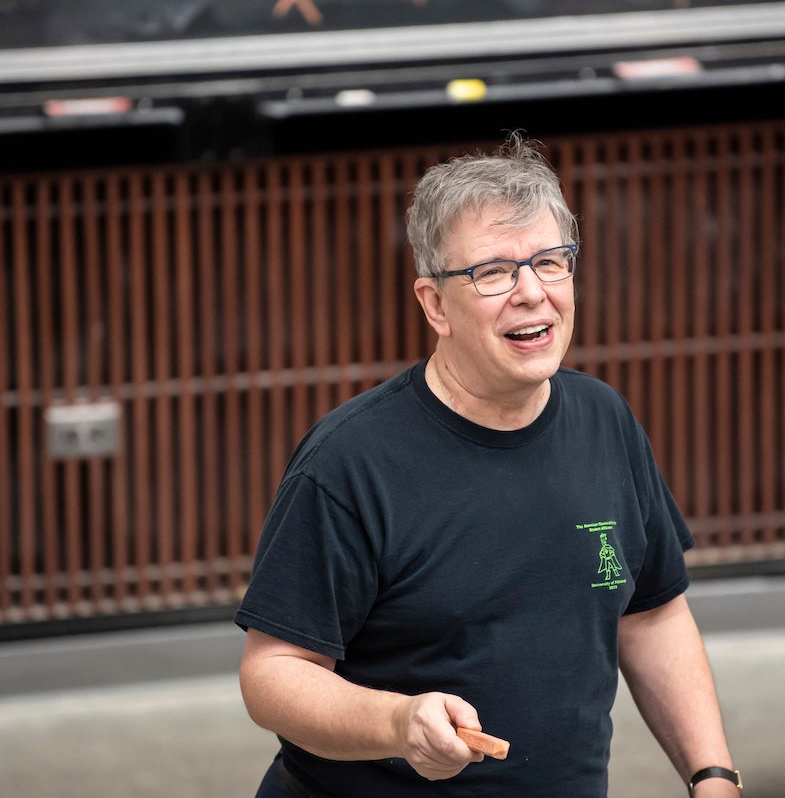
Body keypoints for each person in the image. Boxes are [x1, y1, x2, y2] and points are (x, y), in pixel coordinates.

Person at [235, 131, 742, 797]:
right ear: (435, 304)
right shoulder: (351, 462)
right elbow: (271, 674)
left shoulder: (604, 420)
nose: (532, 293)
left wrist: (713, 776)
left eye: (551, 262)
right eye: (493, 272)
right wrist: (398, 721)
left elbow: (651, 613)